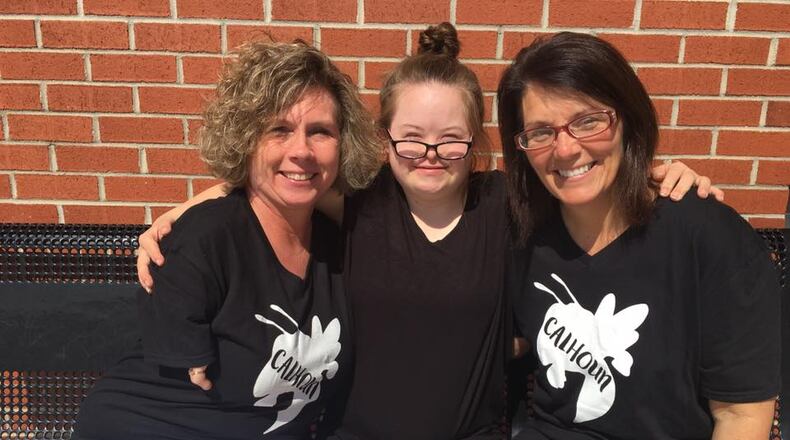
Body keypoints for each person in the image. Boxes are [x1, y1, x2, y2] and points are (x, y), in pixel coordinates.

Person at [135, 25, 721, 439]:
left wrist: (662, 173)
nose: (431, 154)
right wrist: (191, 206)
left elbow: (583, 172)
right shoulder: (359, 205)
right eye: (411, 137)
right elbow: (279, 179)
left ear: (478, 145)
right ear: (384, 138)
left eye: (451, 139)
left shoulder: (507, 204)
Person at [74, 39, 381, 439]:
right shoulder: (208, 237)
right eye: (279, 130)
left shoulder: (340, 246)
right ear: (246, 139)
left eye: (320, 131)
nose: (301, 150)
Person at [498, 32, 781, 439]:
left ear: (626, 118)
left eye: (588, 121)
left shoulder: (708, 236)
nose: (565, 149)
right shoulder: (522, 233)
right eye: (541, 132)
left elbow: (741, 416)